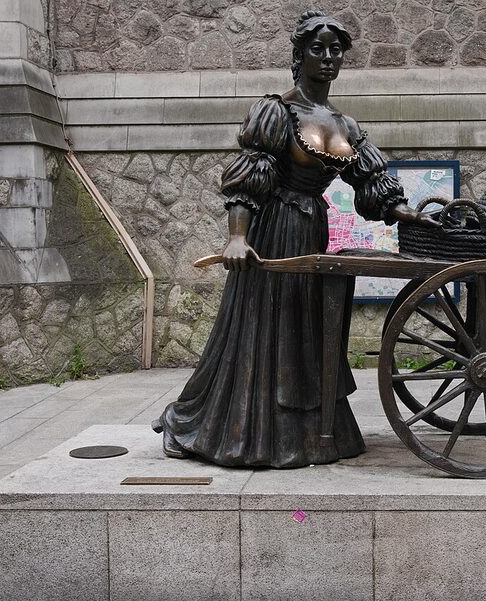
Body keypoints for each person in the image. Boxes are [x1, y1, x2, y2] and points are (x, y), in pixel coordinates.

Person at [152, 11, 436, 467]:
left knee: (307, 330)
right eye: (317, 49)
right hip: (275, 230)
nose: (327, 58)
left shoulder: (345, 124)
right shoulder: (276, 111)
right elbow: (249, 180)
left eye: (335, 50)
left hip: (313, 230)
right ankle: (250, 432)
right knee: (269, 328)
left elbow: (370, 185)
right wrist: (237, 237)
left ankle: (312, 432)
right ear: (299, 56)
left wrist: (405, 213)